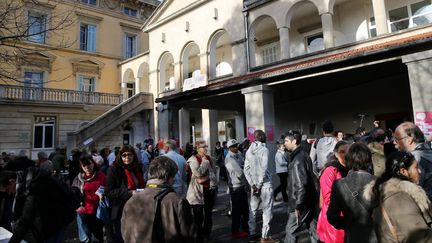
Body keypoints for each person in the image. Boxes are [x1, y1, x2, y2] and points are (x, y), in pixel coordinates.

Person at [121, 156, 196, 242]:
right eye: (173, 176)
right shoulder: (177, 201)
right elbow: (189, 235)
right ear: (169, 176)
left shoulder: (131, 201)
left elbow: (125, 232)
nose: (174, 180)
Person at [365, 151, 432, 242]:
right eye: (416, 167)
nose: (420, 171)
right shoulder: (398, 198)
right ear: (403, 171)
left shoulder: (393, 194)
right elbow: (419, 236)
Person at [2, 167, 77, 243]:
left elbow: (27, 217)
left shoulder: (33, 186)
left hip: (55, 223)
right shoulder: (25, 182)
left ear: (12, 181)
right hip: (50, 221)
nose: (9, 193)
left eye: (7, 190)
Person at [327, 143, 377, 243]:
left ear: (348, 160)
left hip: (352, 236)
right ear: (369, 159)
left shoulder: (339, 184)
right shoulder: (380, 182)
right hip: (376, 235)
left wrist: (348, 224)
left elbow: (332, 216)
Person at [283, 130, 319, 243]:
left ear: (294, 141)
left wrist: (298, 205)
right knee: (313, 228)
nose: (284, 143)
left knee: (290, 231)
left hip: (301, 202)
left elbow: (301, 184)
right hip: (309, 200)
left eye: (286, 141)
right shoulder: (302, 155)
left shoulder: (298, 159)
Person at [105, 145, 145, 243]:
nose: (127, 157)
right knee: (121, 236)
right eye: (124, 155)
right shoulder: (114, 169)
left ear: (133, 155)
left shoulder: (137, 167)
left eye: (129, 154)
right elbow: (108, 191)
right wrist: (129, 192)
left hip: (137, 207)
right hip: (120, 209)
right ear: (120, 156)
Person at [244, 130, 276, 243]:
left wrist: (252, 184)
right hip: (265, 185)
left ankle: (252, 233)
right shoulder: (264, 150)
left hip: (254, 187)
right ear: (261, 137)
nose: (266, 137)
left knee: (252, 210)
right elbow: (263, 168)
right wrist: (258, 184)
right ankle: (265, 237)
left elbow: (246, 169)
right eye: (265, 135)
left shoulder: (249, 151)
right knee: (267, 210)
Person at [317, 141, 350, 243]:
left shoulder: (349, 168)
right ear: (336, 153)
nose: (345, 154)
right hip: (333, 218)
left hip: (345, 216)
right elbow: (328, 197)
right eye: (342, 151)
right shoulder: (331, 170)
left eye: (347, 152)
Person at [186, 140, 217, 242]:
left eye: (206, 147)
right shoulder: (193, 159)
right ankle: (198, 236)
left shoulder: (209, 158)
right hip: (197, 192)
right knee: (198, 216)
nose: (205, 149)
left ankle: (207, 233)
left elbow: (213, 173)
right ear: (197, 148)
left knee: (208, 214)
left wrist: (207, 177)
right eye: (203, 147)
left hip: (209, 189)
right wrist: (205, 163)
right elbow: (198, 173)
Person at [393, 122, 432, 201]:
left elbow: (415, 190)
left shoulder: (414, 158)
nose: (394, 143)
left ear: (409, 139)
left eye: (396, 140)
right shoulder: (428, 150)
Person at [72, 155, 106, 243]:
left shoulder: (101, 175)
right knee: (85, 237)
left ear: (93, 164)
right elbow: (73, 192)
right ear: (81, 167)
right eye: (84, 165)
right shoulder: (79, 178)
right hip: (83, 210)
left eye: (89, 164)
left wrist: (103, 193)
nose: (87, 167)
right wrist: (77, 205)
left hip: (97, 209)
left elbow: (107, 188)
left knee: (98, 235)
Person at [224, 139, 249, 238]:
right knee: (237, 210)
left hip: (240, 185)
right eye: (233, 146)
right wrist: (247, 184)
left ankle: (245, 228)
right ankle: (235, 231)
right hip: (236, 187)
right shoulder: (229, 158)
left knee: (244, 209)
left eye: (236, 145)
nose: (236, 148)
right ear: (229, 148)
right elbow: (240, 173)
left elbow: (244, 164)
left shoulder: (238, 154)